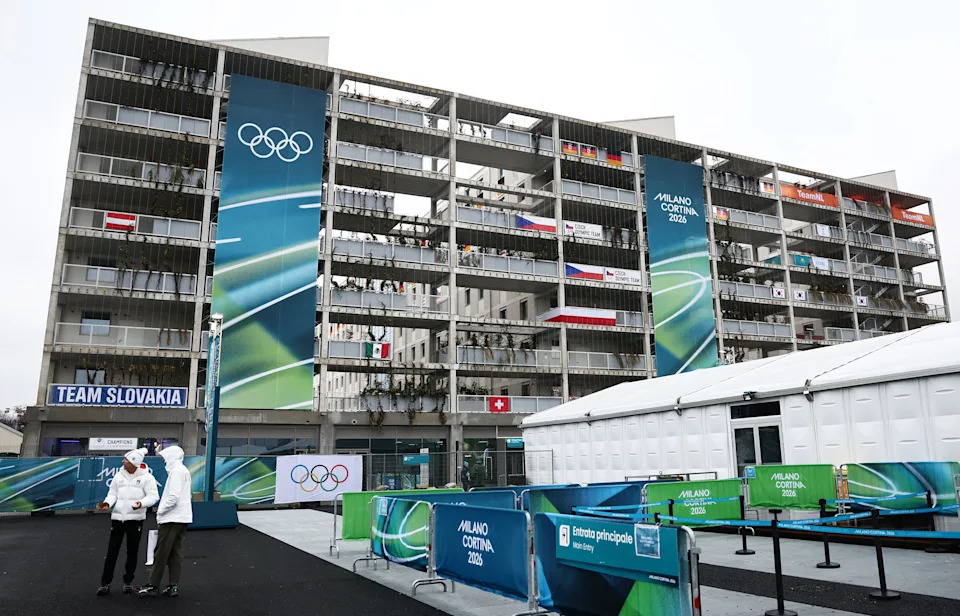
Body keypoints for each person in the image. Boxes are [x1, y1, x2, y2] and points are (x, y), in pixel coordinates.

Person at [96, 448, 158, 596]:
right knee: (112, 552)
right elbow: (112, 493)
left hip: (135, 520)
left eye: (126, 460)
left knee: (132, 552)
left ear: (134, 463)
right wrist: (107, 503)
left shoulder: (147, 478)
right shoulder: (119, 476)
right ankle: (105, 584)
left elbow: (153, 496)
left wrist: (141, 504)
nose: (123, 461)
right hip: (117, 519)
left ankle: (128, 582)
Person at [139, 445, 192, 597]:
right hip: (182, 517)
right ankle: (172, 585)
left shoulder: (176, 472)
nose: (163, 461)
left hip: (171, 518)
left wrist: (161, 511)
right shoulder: (183, 471)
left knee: (161, 552)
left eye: (165, 458)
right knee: (175, 553)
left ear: (171, 457)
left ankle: (153, 584)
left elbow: (173, 496)